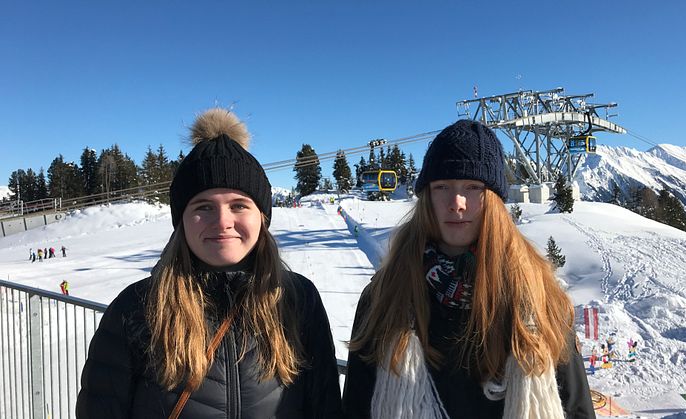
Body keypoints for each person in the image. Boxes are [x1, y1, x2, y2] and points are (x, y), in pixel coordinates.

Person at [77, 108, 343, 418]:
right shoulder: (136, 309)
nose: (223, 222)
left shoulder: (298, 299)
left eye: (239, 205)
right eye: (203, 207)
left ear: (262, 218)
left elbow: (325, 409)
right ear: (181, 222)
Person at [343, 120, 594, 418]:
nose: (456, 203)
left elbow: (576, 409)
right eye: (442, 187)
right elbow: (356, 407)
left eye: (473, 187)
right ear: (426, 198)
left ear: (495, 201)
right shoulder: (386, 296)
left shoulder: (539, 296)